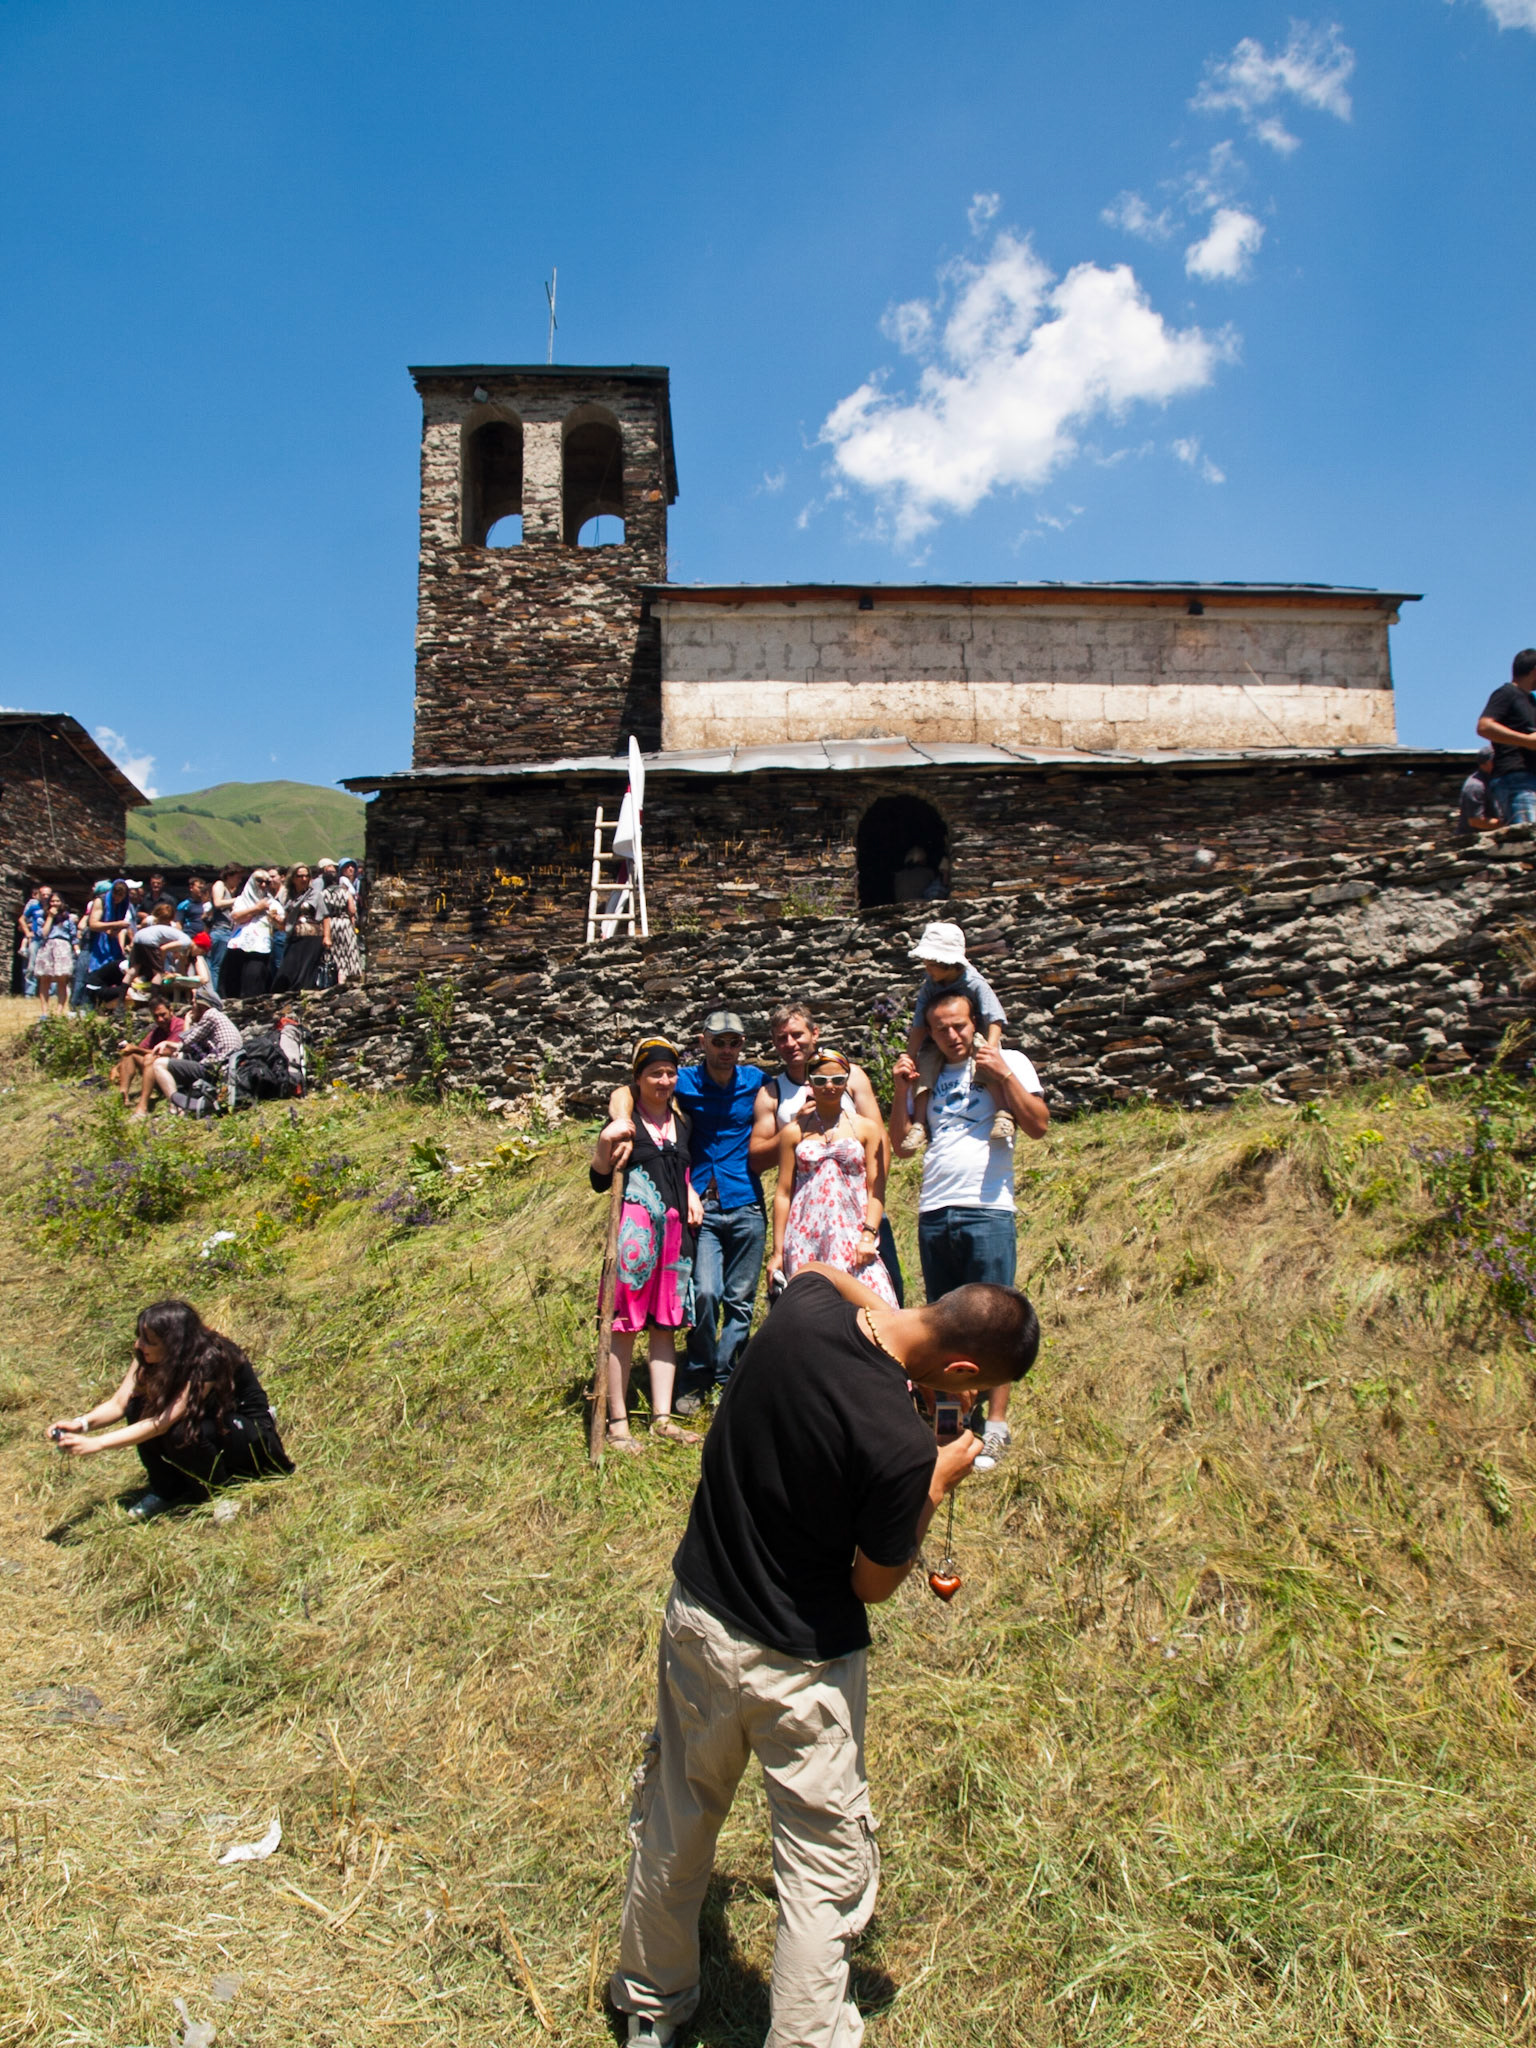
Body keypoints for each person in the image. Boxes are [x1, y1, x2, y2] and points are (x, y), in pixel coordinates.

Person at [609, 1262, 1040, 2048]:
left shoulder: (804, 1311)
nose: (971, 1403)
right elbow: (872, 1584)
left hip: (701, 1614)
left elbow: (817, 1270)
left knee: (678, 1810)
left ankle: (650, 2002)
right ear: (964, 1370)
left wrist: (901, 1347)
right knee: (819, 1870)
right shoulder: (899, 1446)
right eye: (977, 1389)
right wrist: (935, 1482)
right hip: (799, 1669)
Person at [889, 987, 1049, 1473]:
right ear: (930, 1032)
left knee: (999, 1321)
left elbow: (1039, 1125)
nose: (953, 1035)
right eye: (941, 1028)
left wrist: (1003, 1076)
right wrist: (899, 1090)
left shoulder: (1010, 1060)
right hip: (935, 1208)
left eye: (960, 1025)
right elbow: (901, 1146)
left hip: (988, 1206)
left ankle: (995, 1427)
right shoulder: (929, 1073)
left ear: (975, 1021)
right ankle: (950, 1427)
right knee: (944, 1324)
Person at [47, 1298, 294, 1521]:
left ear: (173, 1344)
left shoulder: (209, 1358)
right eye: (140, 1336)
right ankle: (167, 1489)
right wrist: (81, 1424)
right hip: (208, 1420)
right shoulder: (148, 1354)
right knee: (137, 1407)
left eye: (148, 1341)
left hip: (247, 1431)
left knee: (182, 1431)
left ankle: (220, 1493)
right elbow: (119, 1403)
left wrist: (97, 1444)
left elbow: (163, 1422)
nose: (138, 1344)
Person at [590, 1038, 705, 1452]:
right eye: (655, 1073)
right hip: (633, 1245)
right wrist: (606, 1143)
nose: (665, 1080)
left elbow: (682, 1170)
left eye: (670, 1073)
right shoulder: (627, 1120)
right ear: (638, 1077)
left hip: (675, 1243)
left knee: (664, 1329)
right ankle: (618, 1424)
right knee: (623, 1329)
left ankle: (661, 1418)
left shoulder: (683, 1121)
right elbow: (600, 1178)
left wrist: (691, 1192)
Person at [749, 1000, 903, 1304]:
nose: (790, 1043)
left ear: (815, 1033)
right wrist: (793, 1127)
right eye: (782, 1038)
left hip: (857, 1209)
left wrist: (874, 1199)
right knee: (814, 1304)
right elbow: (758, 1159)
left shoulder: (855, 1076)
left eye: (797, 1034)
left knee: (882, 1293)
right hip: (808, 1219)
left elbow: (878, 1140)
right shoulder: (772, 1092)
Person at [771, 1047, 897, 1306]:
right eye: (820, 1080)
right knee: (812, 1311)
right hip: (805, 1235)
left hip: (852, 1233)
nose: (829, 1086)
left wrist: (868, 1235)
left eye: (838, 1079)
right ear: (810, 1084)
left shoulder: (867, 1128)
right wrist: (777, 1251)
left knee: (874, 1306)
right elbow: (783, 1193)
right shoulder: (794, 1132)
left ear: (847, 1081)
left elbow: (876, 1189)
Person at [899, 920, 1012, 1153]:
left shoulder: (974, 982)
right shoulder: (930, 985)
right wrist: (910, 1055)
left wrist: (991, 1048)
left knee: (984, 1062)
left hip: (974, 1036)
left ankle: (1003, 1112)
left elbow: (995, 1017)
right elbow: (920, 1022)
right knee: (924, 1067)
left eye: (932, 965)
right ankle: (920, 1123)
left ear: (948, 964)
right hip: (938, 1040)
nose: (927, 970)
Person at [137, 987, 243, 1117]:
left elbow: (188, 1042)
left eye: (194, 1004)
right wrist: (169, 1044)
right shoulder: (218, 1018)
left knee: (159, 1064)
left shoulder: (210, 1015)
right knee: (180, 1056)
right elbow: (192, 1046)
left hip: (214, 1070)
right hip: (223, 1068)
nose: (191, 1008)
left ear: (202, 1006)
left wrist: (187, 1022)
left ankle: (176, 1106)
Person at [1476, 649, 1536, 825]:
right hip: (1516, 779)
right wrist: (1526, 741)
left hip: (1530, 778)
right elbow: (1484, 726)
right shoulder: (1506, 693)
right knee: (1529, 841)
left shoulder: (1531, 701)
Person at [110, 994, 184, 1105]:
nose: (160, 1019)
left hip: (174, 1072)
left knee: (145, 1056)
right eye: (156, 1017)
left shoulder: (180, 1026)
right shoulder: (157, 1031)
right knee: (130, 1053)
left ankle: (144, 1103)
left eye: (163, 1015)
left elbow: (168, 1053)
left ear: (171, 1010)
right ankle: (123, 1095)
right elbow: (140, 1048)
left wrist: (136, 1049)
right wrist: (117, 1067)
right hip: (156, 1068)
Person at [221, 869, 281, 999]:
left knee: (254, 980)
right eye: (260, 881)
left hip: (260, 948)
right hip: (238, 945)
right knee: (233, 980)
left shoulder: (273, 903)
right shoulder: (241, 900)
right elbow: (236, 917)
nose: (263, 885)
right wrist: (257, 909)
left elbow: (281, 925)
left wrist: (275, 918)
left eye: (267, 882)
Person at [81, 879, 135, 1008]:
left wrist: (117, 929)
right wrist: (116, 924)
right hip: (95, 943)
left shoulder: (122, 905)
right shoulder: (101, 901)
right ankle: (84, 1004)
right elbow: (93, 924)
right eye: (116, 897)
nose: (118, 900)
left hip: (111, 943)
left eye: (121, 897)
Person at [273, 864, 325, 991]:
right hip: (294, 936)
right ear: (293, 878)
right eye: (300, 876)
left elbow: (325, 916)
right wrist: (276, 919)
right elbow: (286, 921)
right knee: (288, 967)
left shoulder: (315, 895)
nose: (304, 879)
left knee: (306, 969)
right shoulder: (289, 898)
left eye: (307, 876)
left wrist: (327, 937)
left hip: (312, 937)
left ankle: (303, 996)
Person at [32, 892, 78, 1015]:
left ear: (61, 902)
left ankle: (59, 1011)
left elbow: (73, 936)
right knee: (45, 979)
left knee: (62, 979)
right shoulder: (41, 917)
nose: (55, 904)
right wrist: (50, 917)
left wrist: (76, 949)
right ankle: (44, 1012)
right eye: (52, 901)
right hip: (47, 946)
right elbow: (43, 934)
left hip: (62, 947)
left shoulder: (68, 918)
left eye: (57, 901)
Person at [318, 857, 362, 983]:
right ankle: (348, 977)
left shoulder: (323, 894)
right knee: (347, 951)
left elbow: (322, 912)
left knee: (334, 953)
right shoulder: (344, 892)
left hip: (330, 925)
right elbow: (352, 910)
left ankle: (335, 978)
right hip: (345, 924)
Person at [206, 865, 241, 993]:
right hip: (221, 930)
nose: (239, 880)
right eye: (237, 877)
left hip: (228, 930)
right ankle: (212, 993)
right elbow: (218, 903)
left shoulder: (230, 890)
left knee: (221, 965)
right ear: (229, 876)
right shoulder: (220, 885)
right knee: (216, 965)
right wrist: (237, 899)